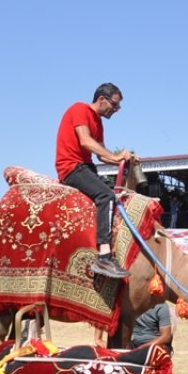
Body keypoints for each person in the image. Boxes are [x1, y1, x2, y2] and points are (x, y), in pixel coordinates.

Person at [56, 83, 137, 279]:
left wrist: (122, 157)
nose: (116, 110)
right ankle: (104, 257)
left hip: (86, 167)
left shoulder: (98, 122)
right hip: (72, 167)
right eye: (115, 105)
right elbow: (85, 141)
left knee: (115, 197)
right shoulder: (79, 109)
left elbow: (102, 155)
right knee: (105, 195)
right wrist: (116, 157)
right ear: (102, 99)